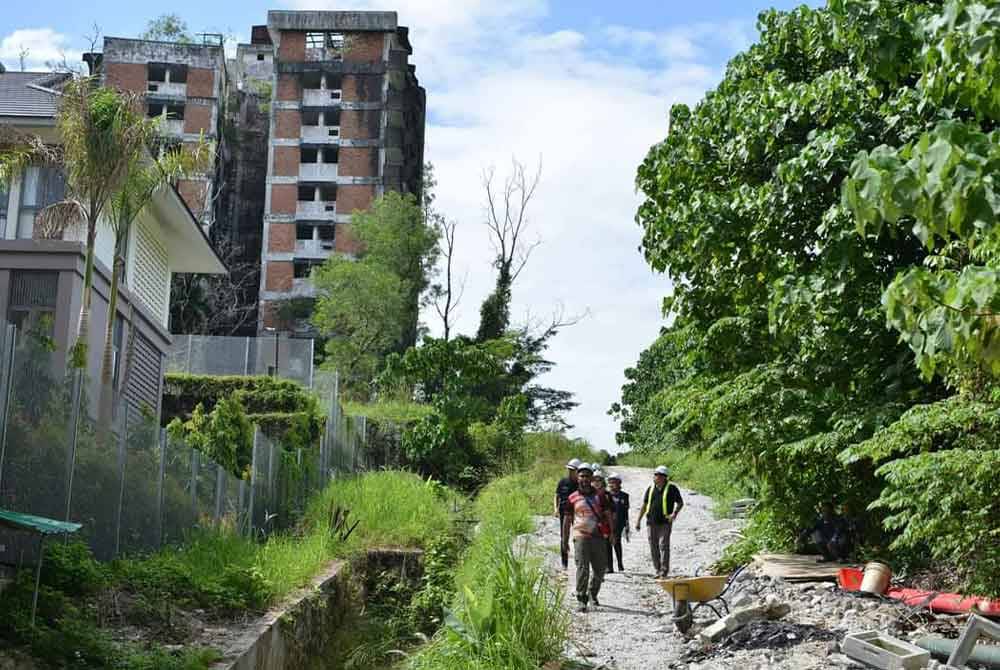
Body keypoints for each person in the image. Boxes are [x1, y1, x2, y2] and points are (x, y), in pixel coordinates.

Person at [567, 463, 615, 611]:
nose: (584, 479)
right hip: (580, 535)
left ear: (592, 477)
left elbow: (608, 515)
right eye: (581, 476)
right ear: (577, 477)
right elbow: (567, 519)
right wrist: (564, 539)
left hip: (598, 536)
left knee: (600, 569)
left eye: (587, 476)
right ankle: (582, 599)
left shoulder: (600, 496)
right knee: (582, 567)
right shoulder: (572, 497)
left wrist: (612, 533)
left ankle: (592, 593)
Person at [635, 465, 683, 578]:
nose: (655, 477)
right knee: (653, 546)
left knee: (663, 546)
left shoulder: (672, 488)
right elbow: (644, 505)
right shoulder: (651, 488)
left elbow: (680, 503)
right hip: (651, 522)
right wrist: (638, 521)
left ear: (664, 477)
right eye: (655, 474)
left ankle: (664, 571)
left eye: (657, 475)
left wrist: (674, 514)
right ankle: (657, 570)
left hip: (665, 523)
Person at [554, 458, 581, 569]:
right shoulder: (563, 482)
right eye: (569, 470)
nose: (570, 472)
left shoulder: (580, 484)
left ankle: (579, 561)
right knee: (563, 537)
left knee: (578, 537)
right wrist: (555, 508)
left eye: (572, 470)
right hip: (563, 512)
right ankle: (564, 564)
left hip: (576, 514)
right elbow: (556, 495)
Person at [592, 468, 615, 573]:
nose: (596, 482)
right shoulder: (588, 494)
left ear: (602, 482)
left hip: (604, 523)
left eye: (599, 480)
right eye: (594, 480)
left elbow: (612, 511)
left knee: (606, 545)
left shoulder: (607, 495)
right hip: (592, 524)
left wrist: (612, 527)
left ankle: (609, 566)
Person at [607, 473, 630, 572]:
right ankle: (609, 567)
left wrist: (627, 524)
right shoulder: (606, 495)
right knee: (607, 544)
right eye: (610, 482)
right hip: (608, 522)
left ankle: (620, 564)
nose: (611, 484)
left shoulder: (624, 496)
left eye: (614, 482)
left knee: (617, 542)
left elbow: (626, 511)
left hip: (619, 523)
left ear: (619, 483)